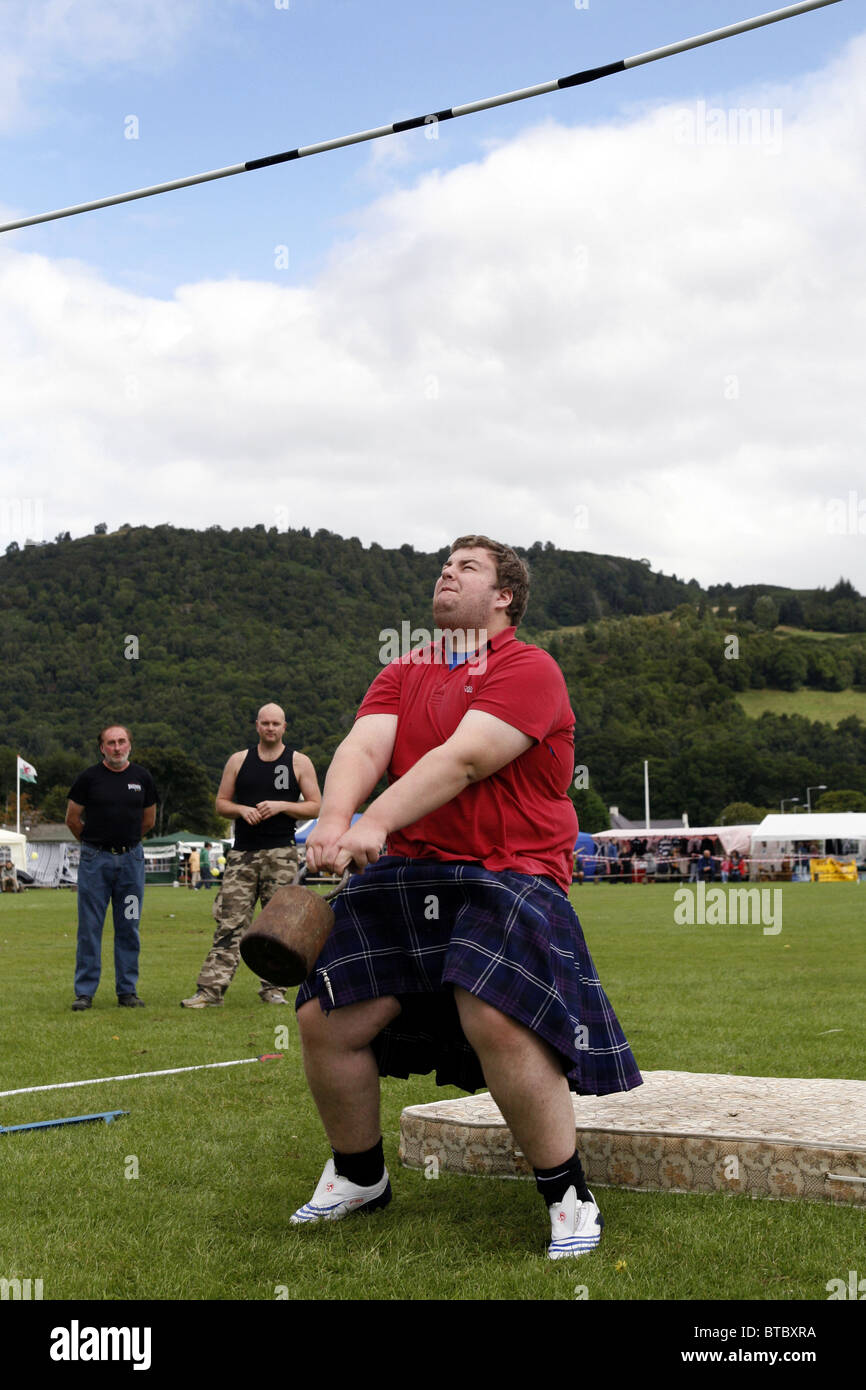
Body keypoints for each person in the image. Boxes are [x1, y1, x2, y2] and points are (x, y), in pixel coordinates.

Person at [291, 535, 641, 1260]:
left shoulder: (530, 668)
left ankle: (566, 1191)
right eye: (444, 565)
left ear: (505, 596)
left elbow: (467, 757)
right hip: (416, 869)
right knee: (326, 1014)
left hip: (511, 869)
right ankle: (360, 1176)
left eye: (468, 567)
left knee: (496, 1010)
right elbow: (363, 748)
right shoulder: (406, 670)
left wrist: (375, 821)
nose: (447, 573)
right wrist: (332, 818)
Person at [180, 704, 321, 1008]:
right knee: (229, 922)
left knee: (280, 926)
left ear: (285, 727)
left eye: (276, 724)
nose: (270, 728)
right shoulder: (238, 760)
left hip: (281, 854)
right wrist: (241, 809)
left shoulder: (299, 761)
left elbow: (315, 806)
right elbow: (221, 803)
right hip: (242, 854)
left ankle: (274, 989)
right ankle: (210, 991)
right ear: (256, 725)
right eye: (265, 723)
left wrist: (282, 806)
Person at [65, 724, 156, 1010]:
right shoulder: (88, 778)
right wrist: (95, 844)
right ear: (101, 747)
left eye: (121, 741)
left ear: (130, 744)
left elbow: (148, 821)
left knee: (129, 925)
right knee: (90, 927)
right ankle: (85, 992)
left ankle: (127, 990)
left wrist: (125, 845)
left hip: (131, 863)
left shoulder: (142, 778)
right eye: (110, 743)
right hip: (95, 862)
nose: (117, 747)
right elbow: (72, 819)